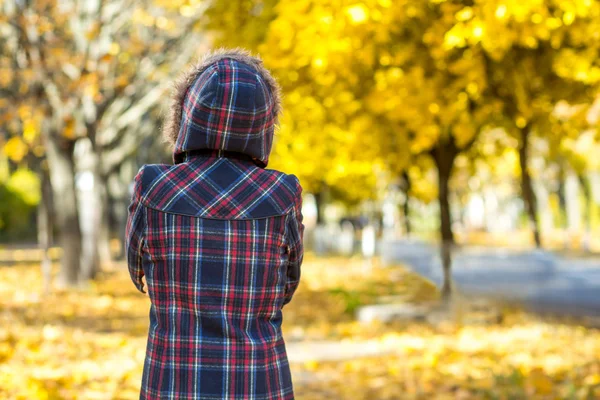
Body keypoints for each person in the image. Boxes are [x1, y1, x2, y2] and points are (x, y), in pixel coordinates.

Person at [125, 48, 304, 400]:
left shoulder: (152, 187)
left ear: (185, 114)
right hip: (258, 383)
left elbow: (136, 273)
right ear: (265, 122)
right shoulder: (284, 194)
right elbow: (287, 287)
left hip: (173, 384)